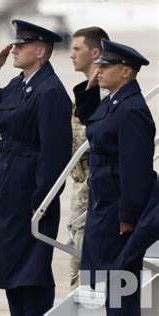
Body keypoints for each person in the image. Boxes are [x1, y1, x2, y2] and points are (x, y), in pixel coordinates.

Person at [0, 20, 72, 315]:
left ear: (40, 51)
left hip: (28, 189)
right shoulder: (22, 83)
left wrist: (41, 201)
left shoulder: (49, 91)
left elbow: (54, 153)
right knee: (10, 264)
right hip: (8, 180)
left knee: (31, 267)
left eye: (21, 45)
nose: (14, 49)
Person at [74, 39, 155, 315]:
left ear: (126, 72)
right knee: (100, 279)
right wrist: (90, 87)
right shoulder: (115, 102)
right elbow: (91, 121)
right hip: (103, 203)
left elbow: (136, 168)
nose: (100, 71)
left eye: (107, 66)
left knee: (121, 281)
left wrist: (129, 215)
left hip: (117, 210)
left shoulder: (132, 110)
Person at [68, 26, 109, 290]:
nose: (71, 55)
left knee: (87, 280)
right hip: (81, 191)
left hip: (94, 194)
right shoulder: (85, 92)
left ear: (95, 52)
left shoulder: (104, 94)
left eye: (76, 49)